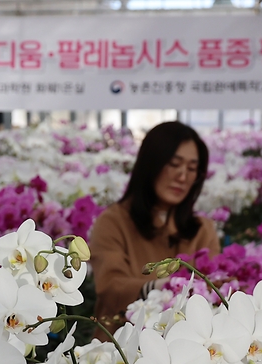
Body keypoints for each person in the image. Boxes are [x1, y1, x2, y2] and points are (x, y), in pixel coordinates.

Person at [89, 121, 221, 339]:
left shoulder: (202, 229)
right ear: (150, 164)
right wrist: (159, 288)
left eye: (191, 169)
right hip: (121, 350)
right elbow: (110, 286)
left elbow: (214, 286)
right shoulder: (113, 221)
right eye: (173, 164)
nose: (182, 176)